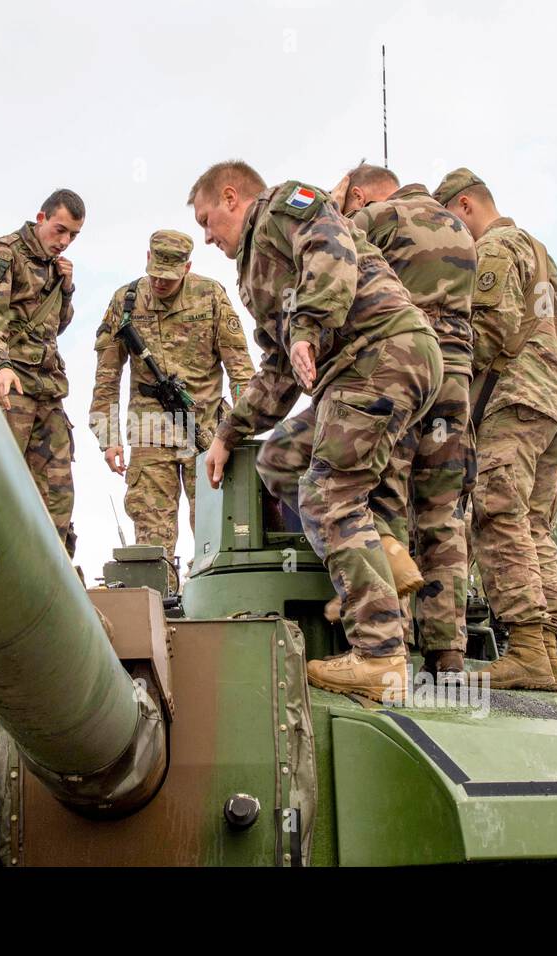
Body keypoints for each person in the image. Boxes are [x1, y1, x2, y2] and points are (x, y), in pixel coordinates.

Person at [190, 160, 441, 702]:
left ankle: (379, 657)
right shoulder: (255, 268)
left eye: (208, 220)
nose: (206, 236)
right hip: (361, 368)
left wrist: (307, 327)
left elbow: (332, 250)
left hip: (381, 353)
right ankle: (387, 554)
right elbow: (281, 371)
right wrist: (229, 433)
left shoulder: (286, 205)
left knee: (328, 496)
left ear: (232, 197)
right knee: (280, 458)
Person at [433, 168, 557, 690]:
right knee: (533, 525)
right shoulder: (542, 252)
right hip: (552, 404)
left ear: (465, 206)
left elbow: (486, 334)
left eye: (452, 224)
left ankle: (526, 649)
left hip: (512, 403)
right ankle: (546, 652)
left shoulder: (496, 247)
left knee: (496, 513)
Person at [333, 163, 477, 678]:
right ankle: (448, 652)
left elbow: (335, 270)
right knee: (443, 510)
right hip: (456, 380)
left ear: (359, 193)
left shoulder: (377, 218)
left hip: (403, 373)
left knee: (385, 496)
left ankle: (396, 638)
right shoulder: (460, 227)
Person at [90, 229, 255, 591]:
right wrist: (108, 438)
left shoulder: (210, 295)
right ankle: (158, 616)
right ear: (147, 258)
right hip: (150, 435)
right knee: (152, 539)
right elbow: (107, 376)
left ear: (187, 267)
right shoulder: (126, 301)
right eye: (155, 275)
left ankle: (214, 606)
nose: (161, 284)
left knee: (215, 532)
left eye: (169, 277)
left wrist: (243, 430)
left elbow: (240, 369)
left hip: (206, 434)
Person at [0, 189, 85, 556]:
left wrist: (66, 289)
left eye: (73, 236)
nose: (64, 242)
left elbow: (56, 327)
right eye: (59, 230)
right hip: (11, 385)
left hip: (48, 389)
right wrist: (0, 366)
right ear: (41, 218)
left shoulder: (56, 267)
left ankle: (54, 572)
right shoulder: (3, 253)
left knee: (58, 491)